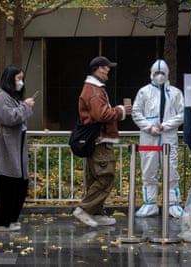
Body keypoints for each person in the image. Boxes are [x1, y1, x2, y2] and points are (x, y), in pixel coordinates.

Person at [72, 56, 132, 227]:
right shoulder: (94, 90)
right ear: (99, 68)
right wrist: (120, 111)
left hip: (95, 140)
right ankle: (84, 209)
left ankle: (97, 213)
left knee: (95, 177)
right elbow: (102, 115)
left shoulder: (92, 89)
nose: (109, 70)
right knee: (106, 176)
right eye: (107, 67)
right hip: (100, 140)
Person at [132, 59, 185, 218]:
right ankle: (150, 203)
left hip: (168, 137)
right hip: (149, 138)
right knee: (148, 169)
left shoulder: (175, 93)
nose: (159, 76)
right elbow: (136, 112)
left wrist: (165, 126)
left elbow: (181, 115)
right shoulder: (144, 92)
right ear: (151, 74)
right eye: (156, 73)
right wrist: (149, 127)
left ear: (167, 74)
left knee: (171, 169)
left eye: (162, 73)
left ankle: (173, 203)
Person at [0, 65, 35, 232]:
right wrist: (25, 106)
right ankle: (2, 222)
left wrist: (23, 105)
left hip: (16, 144)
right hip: (7, 144)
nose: (21, 82)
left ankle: (11, 219)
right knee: (8, 183)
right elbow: (8, 117)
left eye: (22, 78)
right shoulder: (1, 96)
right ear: (9, 79)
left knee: (19, 183)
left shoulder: (10, 96)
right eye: (18, 78)